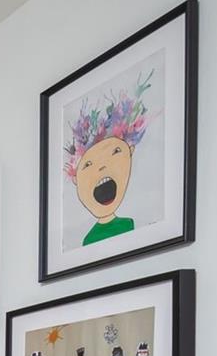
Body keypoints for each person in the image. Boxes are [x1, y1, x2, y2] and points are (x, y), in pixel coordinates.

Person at [64, 72, 153, 247]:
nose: (102, 168)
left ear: (130, 151)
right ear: (76, 179)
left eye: (115, 152)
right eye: (88, 164)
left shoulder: (131, 224)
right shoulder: (87, 240)